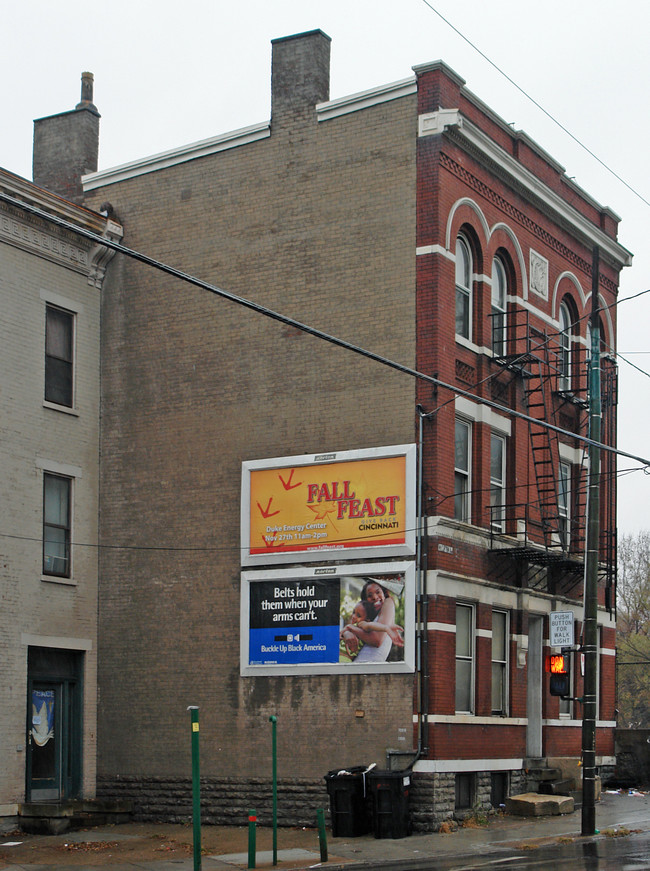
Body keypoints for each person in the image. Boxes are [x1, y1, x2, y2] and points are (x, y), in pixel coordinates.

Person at [341, 579, 404, 663]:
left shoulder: (388, 602)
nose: (374, 597)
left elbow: (377, 640)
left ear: (384, 593)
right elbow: (344, 632)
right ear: (366, 600)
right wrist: (347, 632)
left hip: (366, 665)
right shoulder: (366, 617)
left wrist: (350, 628)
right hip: (356, 664)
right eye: (370, 596)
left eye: (378, 592)